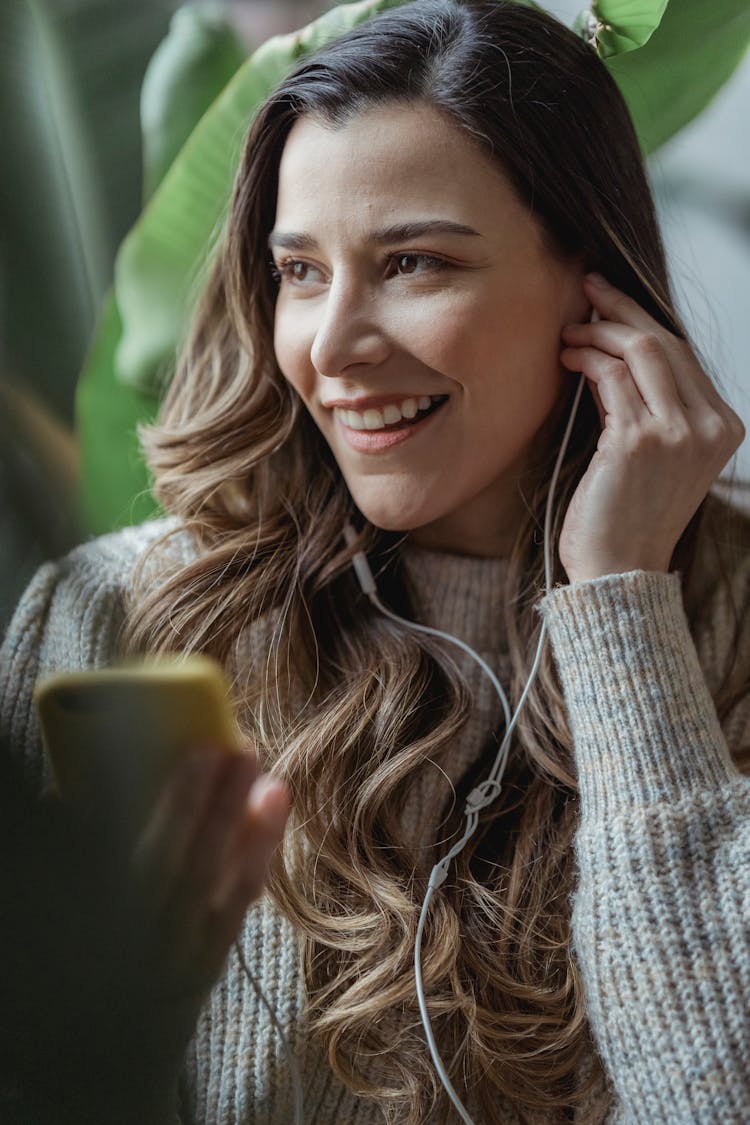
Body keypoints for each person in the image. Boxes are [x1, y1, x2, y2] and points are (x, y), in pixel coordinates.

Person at [2, 1, 749, 1121]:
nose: (336, 345)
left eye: (412, 262)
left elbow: (715, 1092)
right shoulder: (113, 615)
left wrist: (618, 600)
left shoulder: (732, 618)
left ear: (592, 288)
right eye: (300, 273)